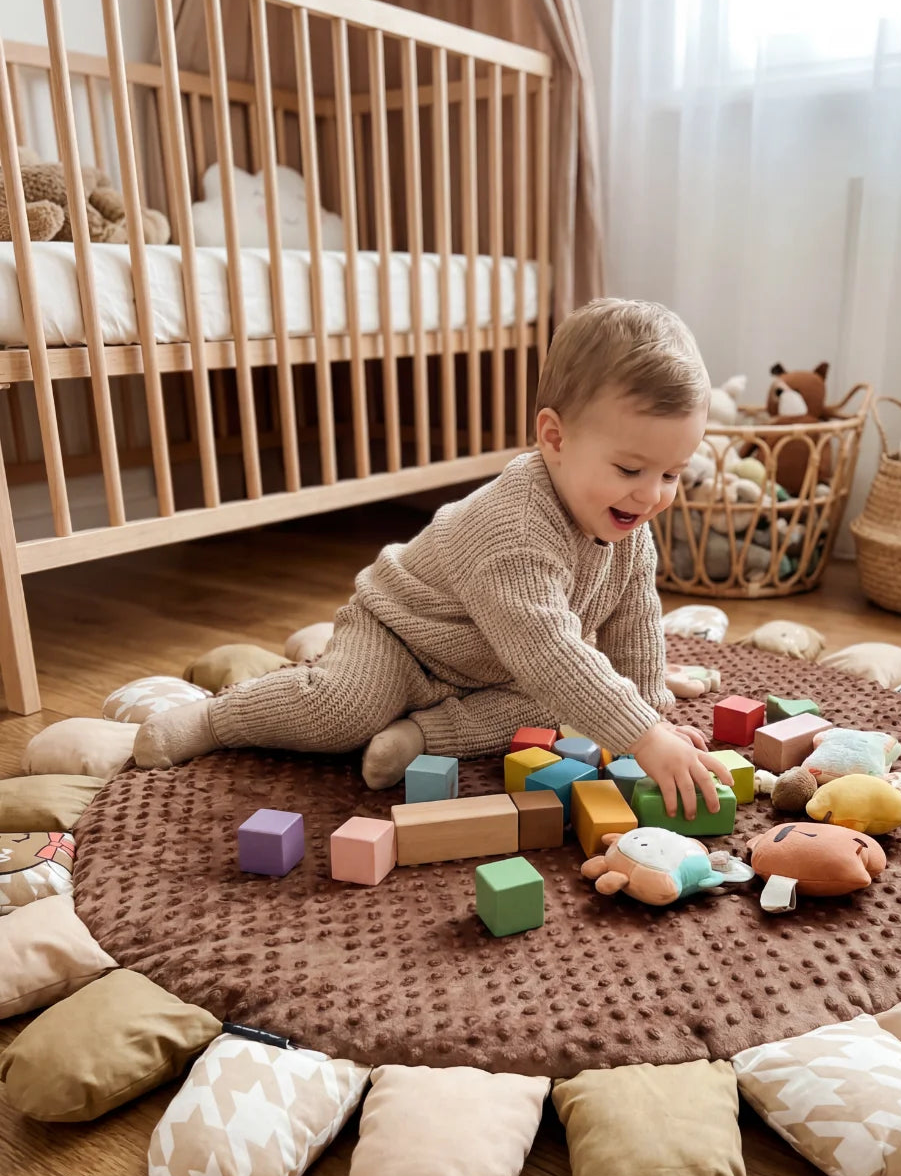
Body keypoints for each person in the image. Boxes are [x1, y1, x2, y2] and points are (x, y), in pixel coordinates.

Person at [135, 297, 731, 818]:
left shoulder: (629, 521)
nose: (652, 495)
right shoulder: (514, 527)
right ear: (554, 437)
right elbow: (548, 649)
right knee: (343, 711)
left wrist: (651, 710)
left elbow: (633, 620)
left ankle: (421, 735)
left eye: (671, 473)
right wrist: (644, 736)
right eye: (630, 469)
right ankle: (217, 719)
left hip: (496, 662)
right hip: (402, 637)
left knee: (579, 691)